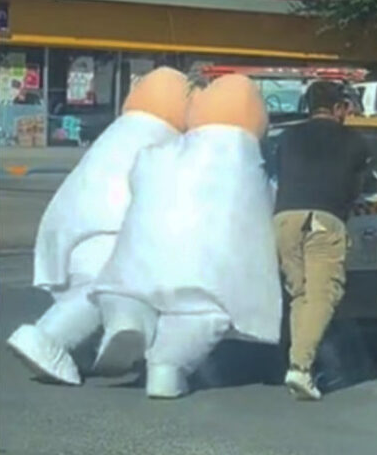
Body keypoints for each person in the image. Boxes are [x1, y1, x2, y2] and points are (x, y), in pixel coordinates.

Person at [91, 75, 282, 399]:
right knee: (203, 311)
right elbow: (267, 201)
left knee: (126, 288)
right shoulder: (247, 162)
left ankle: (128, 319)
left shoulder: (158, 153)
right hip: (207, 264)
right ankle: (167, 368)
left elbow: (137, 177)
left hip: (143, 252)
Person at [6, 67, 191, 385]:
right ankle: (49, 337)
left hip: (76, 223)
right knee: (100, 288)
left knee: (107, 287)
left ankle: (119, 332)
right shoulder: (170, 143)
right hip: (115, 228)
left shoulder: (117, 134)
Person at [273, 81, 370, 400]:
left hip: (285, 219)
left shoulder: (286, 137)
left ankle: (301, 366)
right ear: (339, 108)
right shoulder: (354, 142)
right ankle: (300, 369)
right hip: (325, 220)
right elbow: (357, 189)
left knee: (300, 294)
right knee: (322, 294)